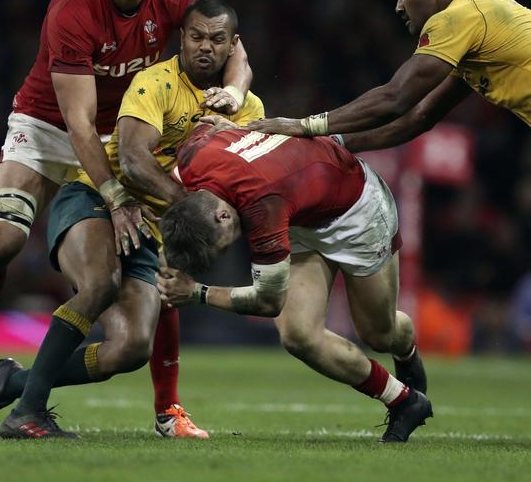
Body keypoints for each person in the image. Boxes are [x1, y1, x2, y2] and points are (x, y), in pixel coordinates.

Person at [0, 0, 252, 437]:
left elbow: (232, 47)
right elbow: (77, 122)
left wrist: (233, 91)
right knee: (1, 241)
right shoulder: (73, 8)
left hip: (125, 132)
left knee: (155, 277)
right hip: (48, 126)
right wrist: (116, 198)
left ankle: (166, 408)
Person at [156, 123, 432, 443]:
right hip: (299, 212)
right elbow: (212, 125)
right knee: (298, 335)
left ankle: (405, 346)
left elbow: (268, 301)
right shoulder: (191, 159)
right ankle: (403, 400)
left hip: (357, 211)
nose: (231, 246)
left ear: (223, 216)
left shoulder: (261, 206)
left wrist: (197, 293)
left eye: (225, 242)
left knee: (379, 335)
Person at [245, 0, 531, 151]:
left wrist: (304, 125)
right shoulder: (476, 19)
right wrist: (336, 143)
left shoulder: (456, 17)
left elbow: (395, 98)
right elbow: (419, 117)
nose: (398, 7)